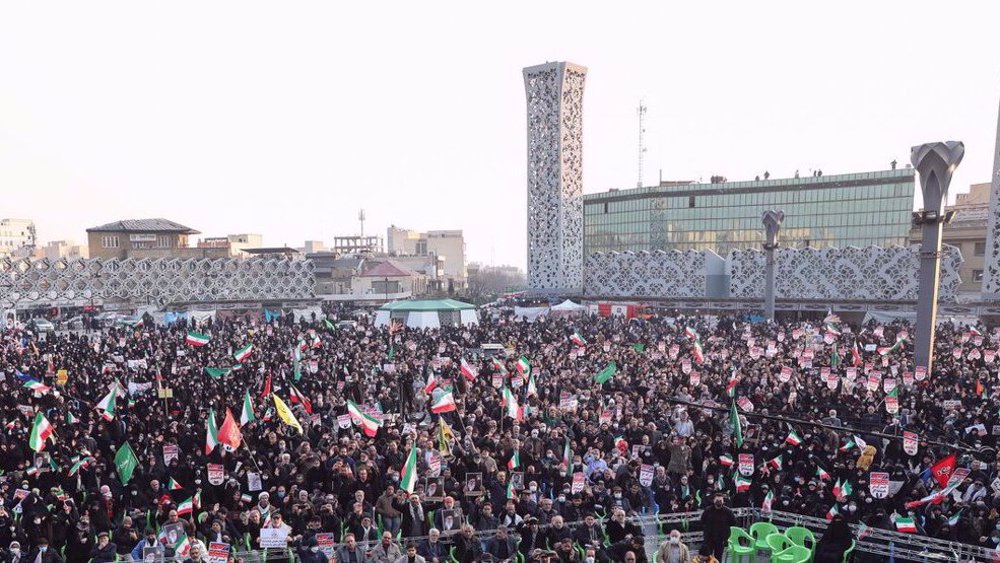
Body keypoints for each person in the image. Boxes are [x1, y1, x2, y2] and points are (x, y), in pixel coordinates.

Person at [699, 494, 735, 560]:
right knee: (707, 557)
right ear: (713, 501)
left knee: (718, 558)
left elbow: (733, 523)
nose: (719, 502)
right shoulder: (707, 510)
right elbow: (702, 521)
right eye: (717, 500)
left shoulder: (728, 512)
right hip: (709, 538)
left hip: (721, 539)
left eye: (720, 500)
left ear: (723, 501)